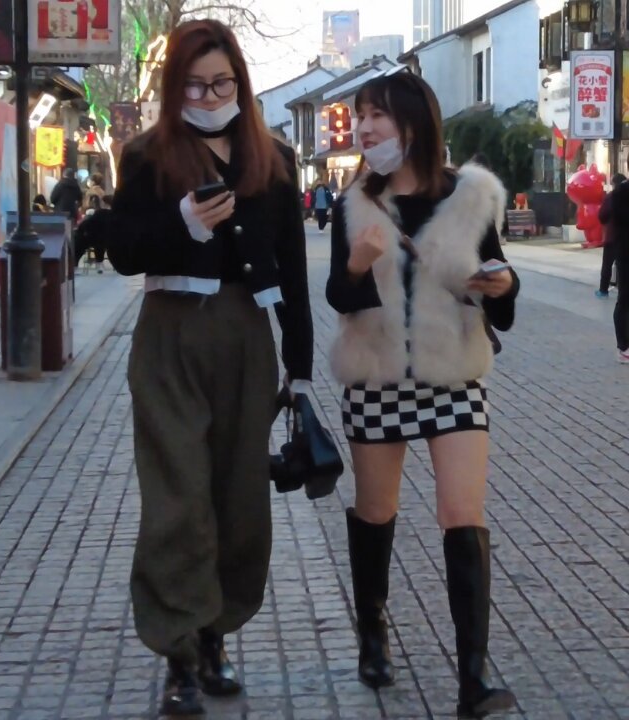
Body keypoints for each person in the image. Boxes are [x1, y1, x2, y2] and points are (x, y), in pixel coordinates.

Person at [103, 19, 313, 717]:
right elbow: (125, 251)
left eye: (221, 82)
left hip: (246, 336)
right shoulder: (146, 154)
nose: (208, 94)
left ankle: (216, 635)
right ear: (174, 89)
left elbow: (292, 270)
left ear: (240, 83)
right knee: (177, 497)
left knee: (237, 497)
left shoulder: (273, 157)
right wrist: (182, 228)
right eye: (193, 84)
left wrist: (303, 371)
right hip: (169, 333)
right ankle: (179, 656)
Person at [325, 69, 518, 718]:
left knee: (463, 515)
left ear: (414, 121)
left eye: (378, 114)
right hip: (378, 375)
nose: (367, 127)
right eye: (362, 116)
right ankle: (373, 634)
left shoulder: (469, 198)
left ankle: (473, 678)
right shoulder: (355, 202)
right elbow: (339, 298)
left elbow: (498, 285)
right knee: (376, 511)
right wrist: (356, 265)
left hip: (454, 377)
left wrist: (503, 286)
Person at [599, 173, 629, 361]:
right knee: (625, 298)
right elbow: (606, 216)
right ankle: (624, 346)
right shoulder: (620, 193)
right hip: (626, 252)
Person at [597, 173, 624, 299]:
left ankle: (603, 290)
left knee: (607, 264)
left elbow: (602, 216)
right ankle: (622, 289)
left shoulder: (611, 197)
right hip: (625, 238)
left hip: (613, 236)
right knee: (623, 264)